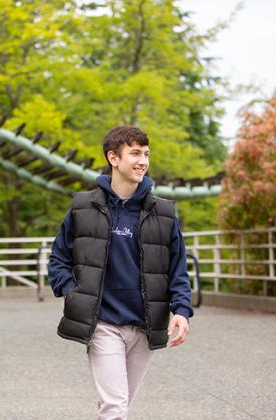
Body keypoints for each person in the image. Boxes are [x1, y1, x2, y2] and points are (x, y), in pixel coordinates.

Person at [47, 125, 193, 419]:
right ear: (113, 157)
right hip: (103, 324)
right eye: (135, 153)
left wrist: (182, 310)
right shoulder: (82, 208)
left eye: (146, 154)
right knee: (115, 407)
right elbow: (58, 258)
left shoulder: (163, 213)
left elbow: (176, 268)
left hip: (145, 325)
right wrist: (73, 293)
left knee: (119, 405)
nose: (143, 161)